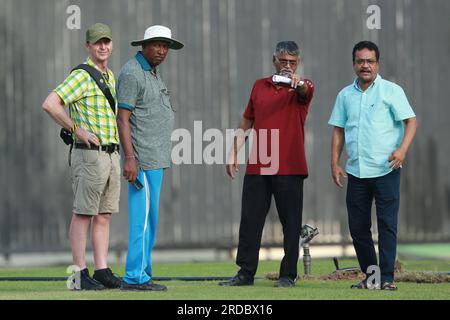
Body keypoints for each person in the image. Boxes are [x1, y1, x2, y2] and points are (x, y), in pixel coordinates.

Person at [219, 41, 315, 288]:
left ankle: (287, 275)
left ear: (298, 63)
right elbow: (246, 121)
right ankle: (245, 273)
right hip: (258, 165)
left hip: (290, 167)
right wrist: (233, 153)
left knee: (290, 224)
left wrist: (300, 83)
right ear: (274, 60)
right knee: (250, 221)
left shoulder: (302, 87)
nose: (287, 66)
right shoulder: (259, 86)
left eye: (292, 62)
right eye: (283, 61)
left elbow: (305, 90)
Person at [328, 41, 417, 290]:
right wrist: (334, 162)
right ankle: (372, 278)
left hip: (386, 170)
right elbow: (338, 130)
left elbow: (412, 122)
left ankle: (386, 279)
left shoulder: (392, 91)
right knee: (358, 228)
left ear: (377, 64)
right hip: (356, 171)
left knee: (387, 225)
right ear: (354, 64)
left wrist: (401, 150)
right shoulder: (345, 95)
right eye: (360, 61)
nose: (365, 65)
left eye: (370, 61)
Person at [42, 23, 121, 290]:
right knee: (83, 213)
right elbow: (50, 103)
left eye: (107, 42)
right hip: (89, 156)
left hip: (110, 154)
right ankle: (78, 275)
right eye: (98, 42)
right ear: (88, 46)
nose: (103, 46)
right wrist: (77, 129)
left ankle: (101, 270)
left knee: (104, 214)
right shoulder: (82, 75)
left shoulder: (109, 75)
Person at [116, 25, 183, 291]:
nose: (162, 50)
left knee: (150, 221)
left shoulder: (152, 72)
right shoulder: (133, 72)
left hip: (156, 160)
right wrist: (130, 158)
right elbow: (122, 119)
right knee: (141, 221)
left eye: (166, 46)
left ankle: (143, 271)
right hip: (142, 161)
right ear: (143, 45)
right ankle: (134, 277)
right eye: (157, 44)